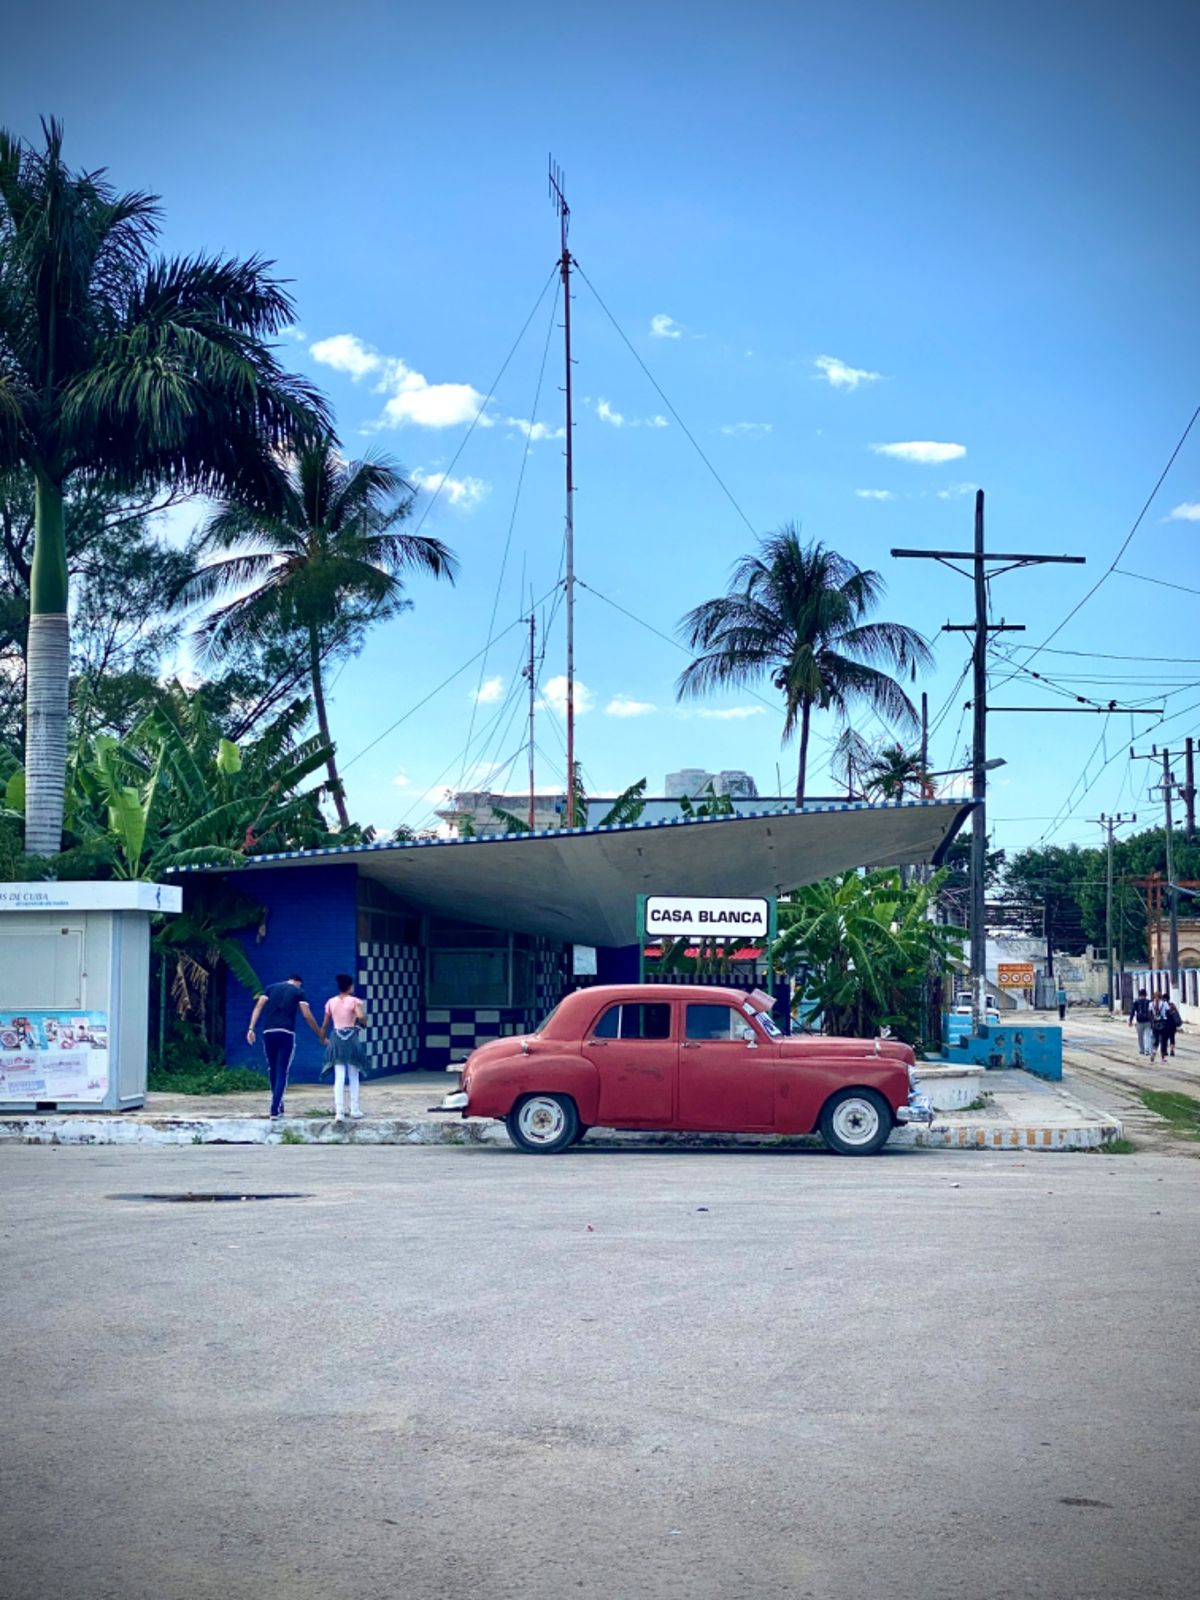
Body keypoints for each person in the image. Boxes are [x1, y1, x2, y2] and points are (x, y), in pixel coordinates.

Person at [247, 975, 323, 1118]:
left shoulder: (270, 988)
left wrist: (251, 1028)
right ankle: (275, 1108)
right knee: (282, 1069)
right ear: (298, 983)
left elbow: (258, 1006)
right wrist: (319, 1033)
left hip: (268, 1032)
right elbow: (306, 1015)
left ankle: (278, 1102)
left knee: (272, 1068)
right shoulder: (298, 992)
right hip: (286, 1032)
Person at [319, 974, 368, 1120]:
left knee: (339, 1077)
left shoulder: (330, 1002)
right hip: (351, 1038)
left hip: (336, 1038)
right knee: (353, 1075)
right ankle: (354, 1109)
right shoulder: (354, 1001)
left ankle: (339, 1112)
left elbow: (325, 1023)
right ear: (350, 987)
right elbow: (360, 1017)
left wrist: (323, 1038)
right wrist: (364, 1022)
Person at [1128, 988, 1154, 1059]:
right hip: (1148, 1021)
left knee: (1140, 1037)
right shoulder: (1149, 1002)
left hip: (1139, 1022)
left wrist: (1130, 1020)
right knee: (1148, 1036)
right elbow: (1152, 1012)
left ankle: (1142, 1050)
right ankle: (1147, 1050)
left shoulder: (1136, 1002)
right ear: (1146, 994)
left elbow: (1133, 1012)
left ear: (1139, 994)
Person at [1160, 995, 1182, 1061]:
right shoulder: (1172, 1005)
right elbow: (1177, 1015)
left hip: (1164, 1025)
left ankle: (1165, 1051)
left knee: (1164, 1039)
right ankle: (1172, 1050)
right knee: (1172, 1038)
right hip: (1172, 1025)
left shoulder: (1162, 1006)